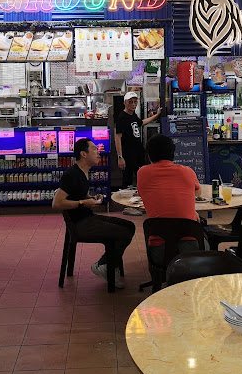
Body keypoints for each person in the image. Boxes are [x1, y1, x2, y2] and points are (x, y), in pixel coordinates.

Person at [52, 138, 135, 288]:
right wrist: (83, 203)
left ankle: (108, 264)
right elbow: (57, 203)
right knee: (123, 232)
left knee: (129, 226)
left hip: (87, 218)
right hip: (80, 224)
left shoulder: (83, 172)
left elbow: (79, 195)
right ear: (83, 154)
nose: (99, 152)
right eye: (95, 149)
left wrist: (91, 199)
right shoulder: (72, 174)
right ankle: (103, 266)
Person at [137, 134, 205, 265]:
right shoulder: (188, 171)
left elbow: (142, 195)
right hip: (192, 249)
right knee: (204, 233)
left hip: (160, 251)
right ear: (173, 153)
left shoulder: (142, 173)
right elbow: (198, 192)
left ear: (149, 155)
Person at [115, 91, 160, 215]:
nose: (133, 104)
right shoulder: (121, 117)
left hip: (138, 153)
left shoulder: (133, 116)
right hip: (128, 154)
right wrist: (120, 157)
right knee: (127, 180)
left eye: (135, 102)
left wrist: (156, 116)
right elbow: (117, 137)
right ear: (125, 102)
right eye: (130, 102)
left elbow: (142, 123)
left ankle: (139, 204)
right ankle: (126, 206)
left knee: (141, 178)